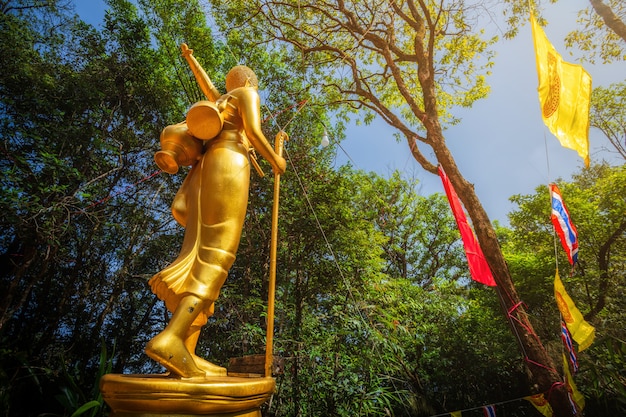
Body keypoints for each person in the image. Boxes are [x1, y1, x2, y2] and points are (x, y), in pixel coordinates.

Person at [146, 61, 286, 379]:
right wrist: (275, 159)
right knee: (217, 254)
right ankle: (170, 339)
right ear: (251, 82)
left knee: (201, 250)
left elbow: (207, 87)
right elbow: (252, 131)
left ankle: (187, 353)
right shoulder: (247, 94)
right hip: (230, 163)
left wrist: (192, 60)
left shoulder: (221, 101)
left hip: (207, 168)